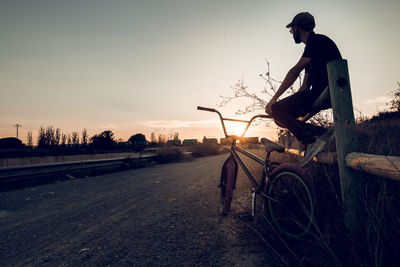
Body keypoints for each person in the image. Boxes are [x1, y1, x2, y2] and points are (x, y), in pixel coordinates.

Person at [265, 12, 342, 154]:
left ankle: (311, 141)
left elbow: (294, 72)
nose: (292, 33)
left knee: (276, 109)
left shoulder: (316, 41)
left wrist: (274, 100)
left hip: (328, 90)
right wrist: (287, 106)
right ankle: (323, 133)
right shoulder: (311, 49)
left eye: (292, 29)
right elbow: (305, 85)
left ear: (298, 28)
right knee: (278, 116)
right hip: (318, 92)